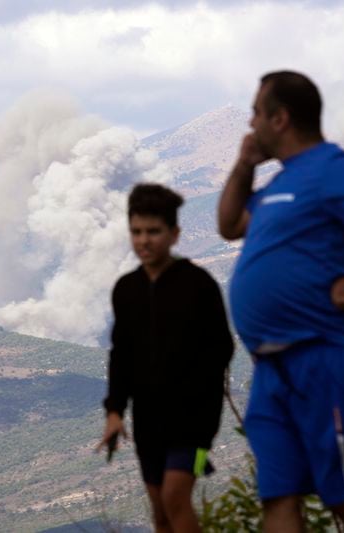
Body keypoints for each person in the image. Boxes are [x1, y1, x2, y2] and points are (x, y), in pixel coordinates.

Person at [218, 71, 344, 533]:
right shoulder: (278, 184)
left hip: (321, 355)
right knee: (278, 498)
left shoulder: (332, 166)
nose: (250, 121)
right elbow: (228, 225)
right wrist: (244, 165)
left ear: (279, 119)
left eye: (257, 112)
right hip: (270, 368)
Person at [100, 183, 234, 533]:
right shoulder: (126, 290)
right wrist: (115, 411)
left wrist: (191, 386)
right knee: (160, 511)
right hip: (148, 422)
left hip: (195, 424)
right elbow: (121, 355)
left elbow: (222, 348)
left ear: (174, 234)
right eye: (137, 232)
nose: (144, 241)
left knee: (176, 497)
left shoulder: (198, 284)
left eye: (153, 232)